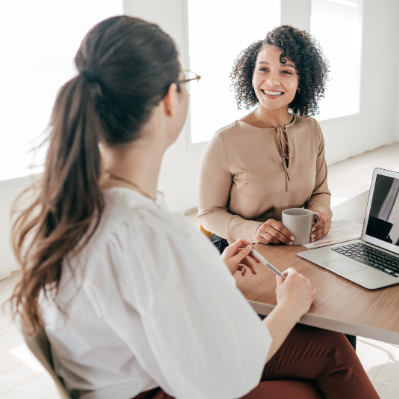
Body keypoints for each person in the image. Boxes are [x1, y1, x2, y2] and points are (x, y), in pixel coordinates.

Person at [9, 16, 379, 399]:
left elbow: (141, 299)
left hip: (134, 377)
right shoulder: (155, 231)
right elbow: (229, 372)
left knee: (330, 349)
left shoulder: (72, 208)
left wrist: (212, 275)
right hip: (162, 389)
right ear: (171, 99)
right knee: (324, 370)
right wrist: (292, 304)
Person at [197, 25, 333, 252]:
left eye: (286, 71)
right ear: (251, 74)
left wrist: (322, 214)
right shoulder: (225, 140)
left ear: (302, 81)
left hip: (296, 247)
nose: (271, 82)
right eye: (263, 69)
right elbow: (209, 214)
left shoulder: (312, 130)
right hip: (240, 252)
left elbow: (320, 191)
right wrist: (254, 230)